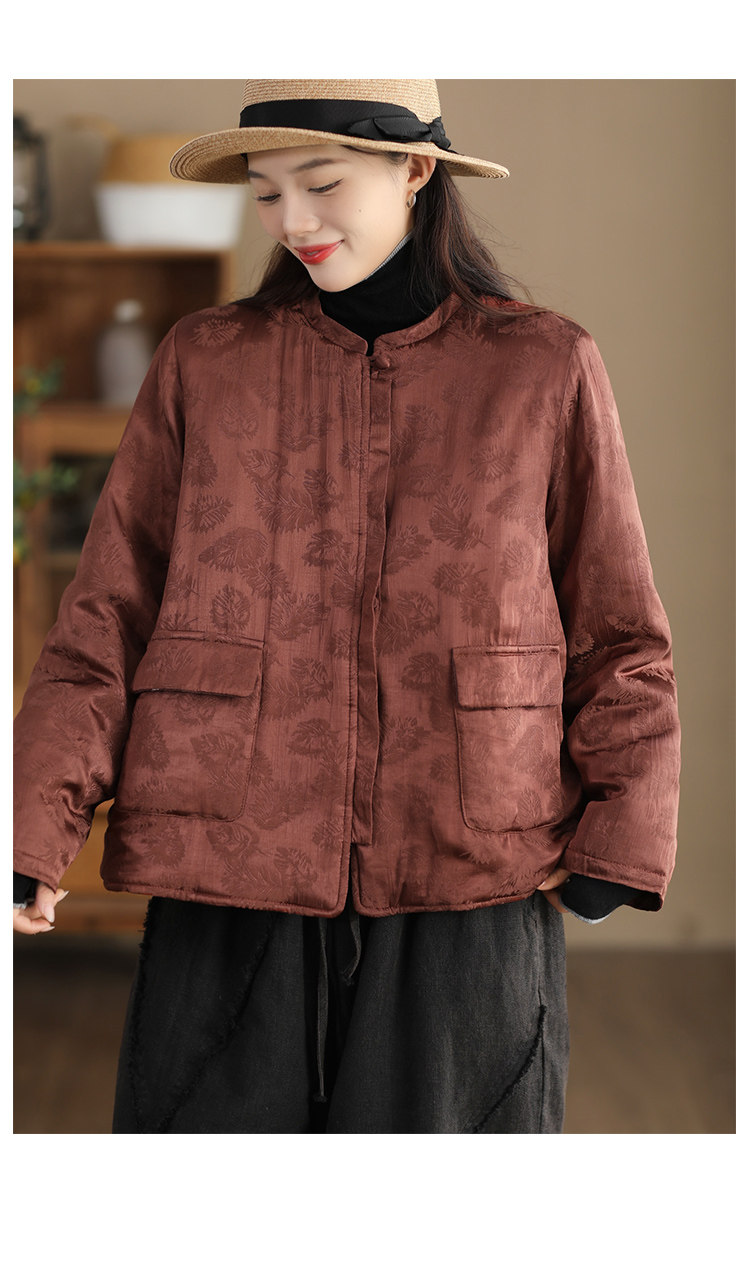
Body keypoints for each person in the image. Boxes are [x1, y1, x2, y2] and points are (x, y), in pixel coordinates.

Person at [13, 79, 680, 1133]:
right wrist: (30, 827)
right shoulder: (206, 362)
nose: (293, 221)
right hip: (227, 857)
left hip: (470, 863)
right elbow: (105, 619)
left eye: (321, 184)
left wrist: (618, 842)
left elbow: (619, 632)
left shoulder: (544, 366)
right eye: (266, 193)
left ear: (416, 170)